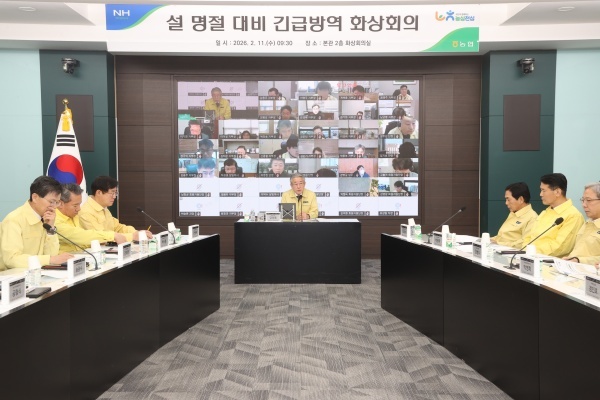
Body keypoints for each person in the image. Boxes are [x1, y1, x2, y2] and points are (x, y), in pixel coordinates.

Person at [0, 176, 73, 270]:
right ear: (35, 197)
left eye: (57, 202)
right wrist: (50, 259)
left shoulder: (45, 218)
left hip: (39, 272)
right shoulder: (14, 220)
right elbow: (11, 259)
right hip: (14, 275)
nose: (54, 207)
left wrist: (50, 229)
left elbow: (52, 255)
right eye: (51, 202)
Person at [522, 173, 584, 257]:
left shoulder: (573, 215)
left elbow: (560, 247)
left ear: (557, 192)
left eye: (544, 190)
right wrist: (525, 250)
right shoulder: (545, 212)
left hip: (549, 261)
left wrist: (530, 251)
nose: (541, 194)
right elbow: (529, 236)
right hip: (529, 256)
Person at [55, 183, 127, 253]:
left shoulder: (74, 215)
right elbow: (80, 236)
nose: (79, 209)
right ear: (60, 204)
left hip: (82, 255)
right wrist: (112, 236)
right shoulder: (54, 221)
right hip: (66, 259)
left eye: (79, 204)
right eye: (75, 205)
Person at [79, 176, 152, 242]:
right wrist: (132, 236)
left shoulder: (103, 208)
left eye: (115, 193)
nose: (114, 197)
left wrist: (136, 232)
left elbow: (117, 227)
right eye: (112, 193)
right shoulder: (86, 212)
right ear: (99, 192)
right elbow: (101, 237)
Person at [490, 182, 538, 248]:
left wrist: (499, 244)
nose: (506, 203)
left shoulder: (532, 217)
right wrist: (489, 240)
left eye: (508, 199)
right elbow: (502, 236)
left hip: (511, 252)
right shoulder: (513, 213)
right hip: (498, 249)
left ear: (521, 199)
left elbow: (525, 243)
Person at [564, 182, 600, 265]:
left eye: (588, 200)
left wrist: (579, 260)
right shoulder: (587, 223)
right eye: (583, 200)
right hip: (572, 267)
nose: (584, 205)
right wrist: (571, 259)